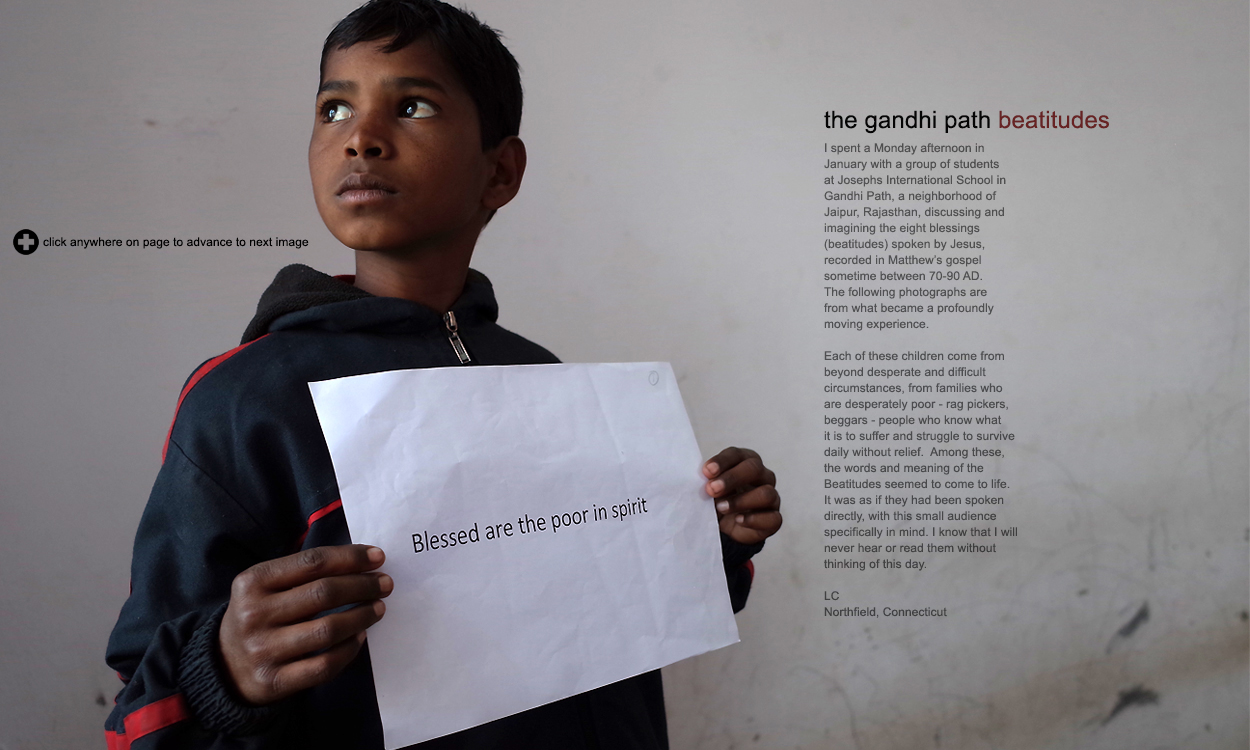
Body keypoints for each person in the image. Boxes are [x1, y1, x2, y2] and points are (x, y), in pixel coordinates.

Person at [104, 1, 782, 747]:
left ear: (500, 171)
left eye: (413, 106)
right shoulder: (244, 403)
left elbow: (616, 611)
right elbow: (141, 710)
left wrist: (709, 536)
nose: (360, 137)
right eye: (334, 109)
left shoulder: (544, 378)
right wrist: (226, 668)